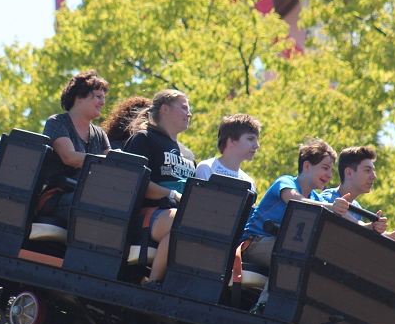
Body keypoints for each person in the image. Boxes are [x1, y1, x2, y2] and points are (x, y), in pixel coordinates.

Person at [240, 138, 350, 270]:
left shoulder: (316, 199)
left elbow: (344, 216)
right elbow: (297, 202)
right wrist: (332, 207)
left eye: (331, 170)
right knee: (293, 256)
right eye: (325, 168)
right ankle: (270, 292)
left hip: (285, 246)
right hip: (253, 243)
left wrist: (368, 226)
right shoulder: (285, 182)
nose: (330, 175)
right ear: (307, 166)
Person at [123, 90, 197, 283]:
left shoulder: (189, 155)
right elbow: (136, 183)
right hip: (148, 216)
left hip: (179, 216)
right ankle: (152, 284)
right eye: (183, 108)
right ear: (165, 109)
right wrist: (172, 194)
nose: (189, 114)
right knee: (179, 222)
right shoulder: (143, 139)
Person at [34, 71, 112, 225]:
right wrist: (106, 161)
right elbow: (69, 157)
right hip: (58, 197)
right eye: (98, 97)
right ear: (79, 97)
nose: (103, 102)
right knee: (96, 201)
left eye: (103, 98)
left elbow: (113, 167)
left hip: (90, 195)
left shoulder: (100, 134)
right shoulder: (57, 122)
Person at [318, 146, 395, 245]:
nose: (374, 176)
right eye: (367, 170)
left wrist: (391, 236)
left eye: (373, 171)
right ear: (349, 173)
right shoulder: (328, 197)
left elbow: (358, 230)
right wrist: (373, 227)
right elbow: (353, 224)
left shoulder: (357, 207)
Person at [194, 114, 260, 192]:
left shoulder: (249, 182)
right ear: (231, 141)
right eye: (250, 139)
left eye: (256, 140)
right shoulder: (207, 168)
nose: (257, 145)